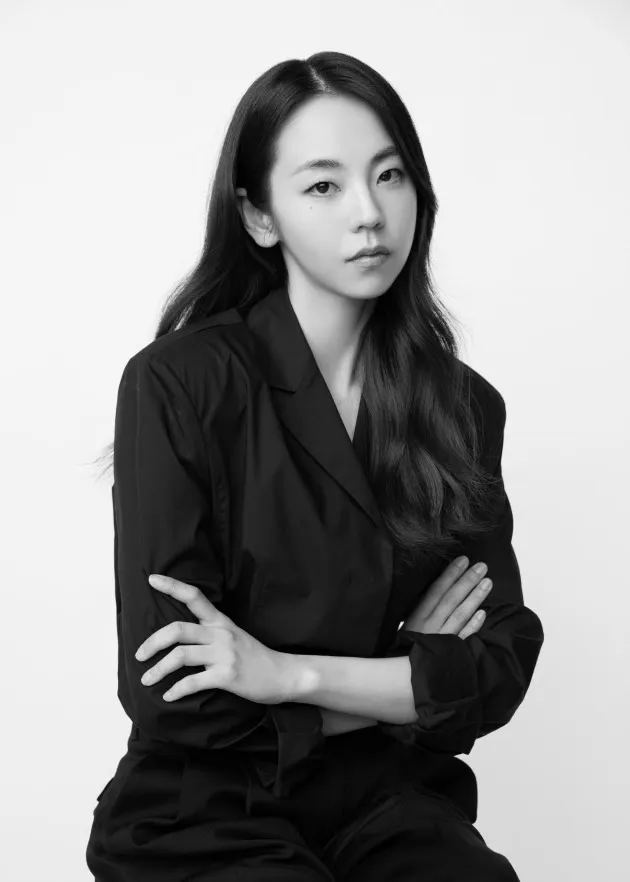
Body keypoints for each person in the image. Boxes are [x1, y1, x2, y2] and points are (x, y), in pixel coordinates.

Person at [86, 50, 544, 881]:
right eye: (324, 186)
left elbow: (498, 666)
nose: (369, 213)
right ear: (260, 216)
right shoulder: (178, 383)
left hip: (387, 802)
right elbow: (172, 694)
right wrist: (401, 683)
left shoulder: (465, 406)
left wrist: (285, 676)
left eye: (390, 176)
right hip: (205, 808)